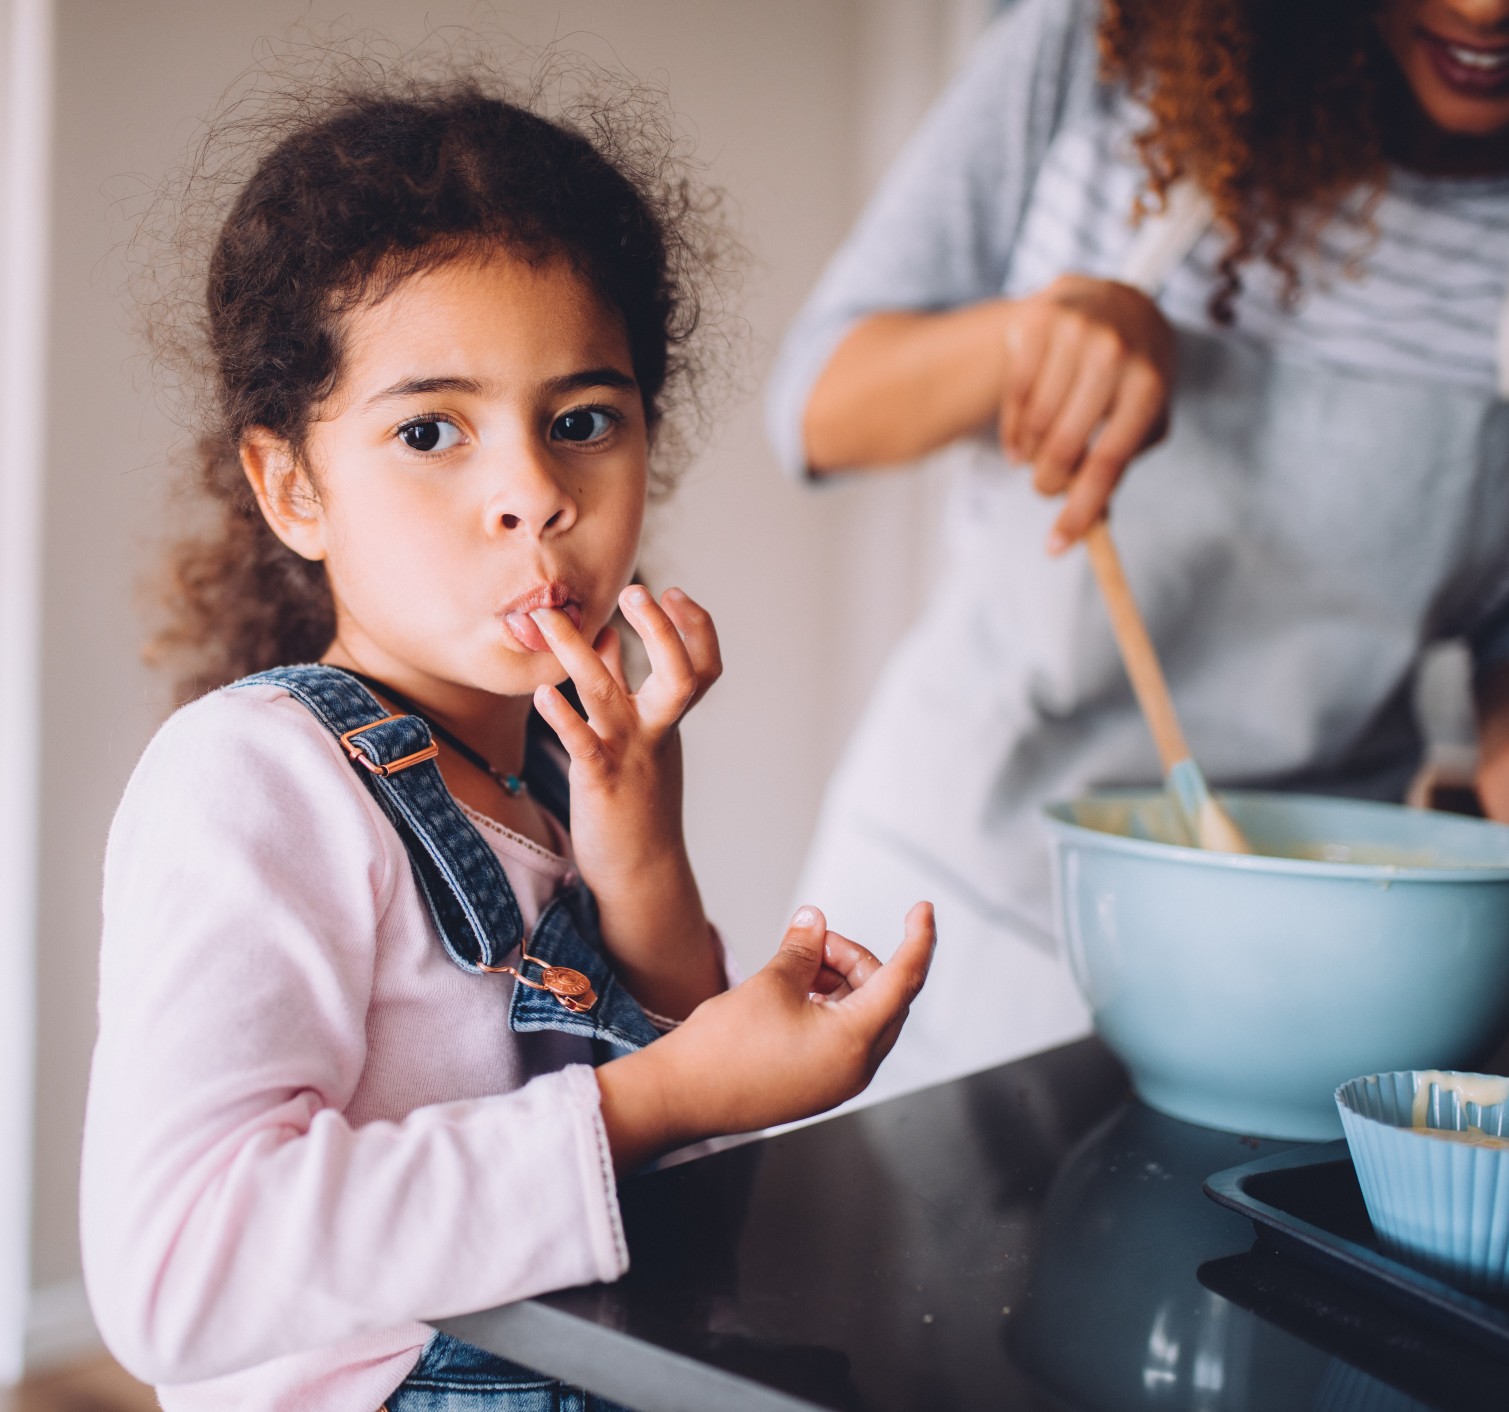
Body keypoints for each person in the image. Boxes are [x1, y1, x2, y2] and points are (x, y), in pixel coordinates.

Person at [79, 73, 937, 1412]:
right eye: (430, 431)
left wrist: (640, 850)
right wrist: (657, 1105)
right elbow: (178, 1272)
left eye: (582, 422)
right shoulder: (251, 780)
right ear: (293, 488)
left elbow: (648, 1137)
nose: (533, 495)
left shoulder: (541, 772)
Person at [768, 0, 1509, 1102]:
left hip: (1322, 949)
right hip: (955, 904)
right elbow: (813, 405)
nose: (1488, 6)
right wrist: (1030, 334)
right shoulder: (1100, 51)